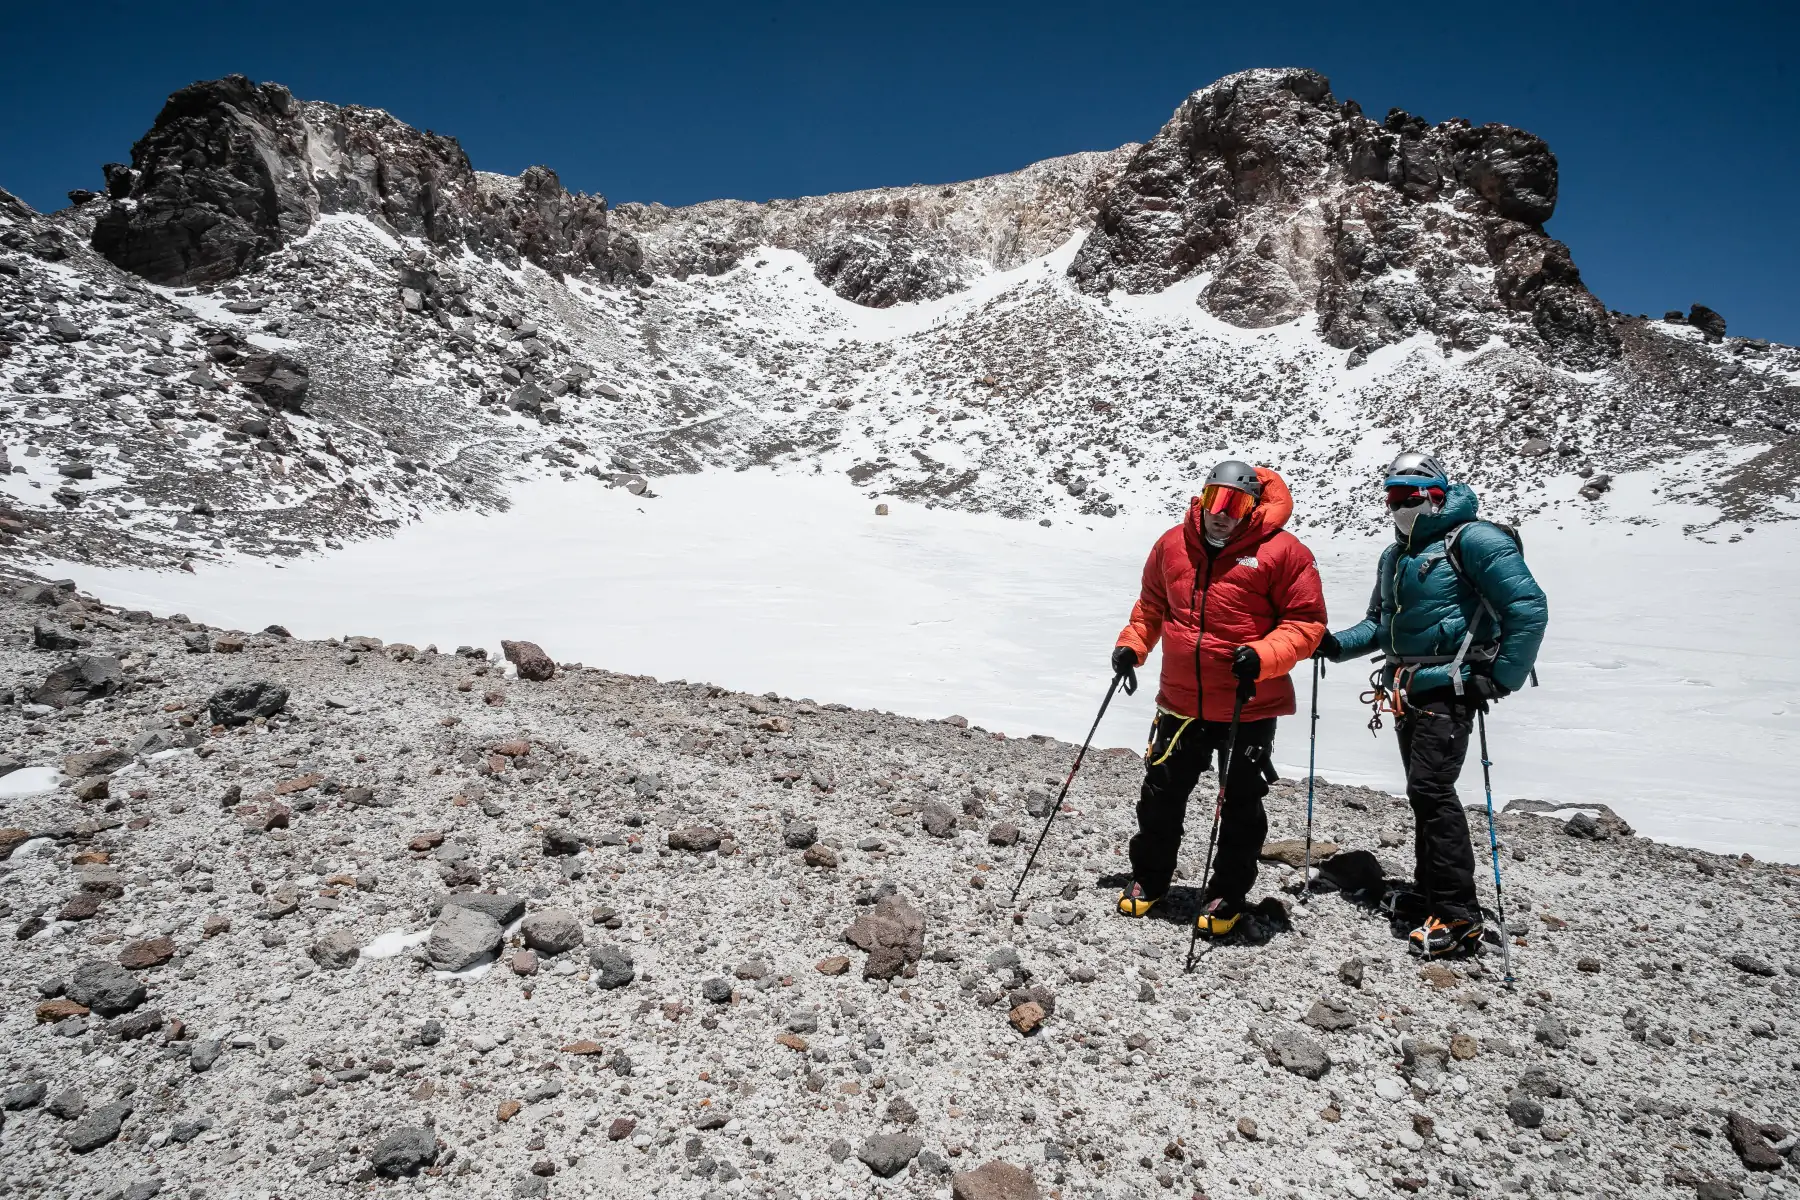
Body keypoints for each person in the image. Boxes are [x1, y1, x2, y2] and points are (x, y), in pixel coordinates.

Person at [1316, 450, 1548, 958]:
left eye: (1407, 496)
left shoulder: (1475, 540)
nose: (1397, 506)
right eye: (1391, 497)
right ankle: (1432, 897)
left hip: (1451, 685)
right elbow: (1381, 625)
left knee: (1431, 790)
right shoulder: (1395, 556)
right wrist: (1334, 645)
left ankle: (1457, 912)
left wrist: (1499, 677)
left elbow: (1528, 607)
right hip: (1407, 687)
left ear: (1435, 495)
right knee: (1425, 792)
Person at [1111, 461, 1327, 936]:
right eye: (1214, 500)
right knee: (1161, 795)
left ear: (1252, 508)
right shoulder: (1172, 544)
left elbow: (1306, 624)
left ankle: (1228, 893)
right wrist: (1133, 645)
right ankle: (1150, 879)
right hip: (1181, 700)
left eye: (1235, 504)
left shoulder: (1284, 553)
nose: (1221, 514)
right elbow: (1152, 605)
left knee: (1240, 804)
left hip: (1247, 705)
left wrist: (1264, 653)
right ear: (1202, 499)